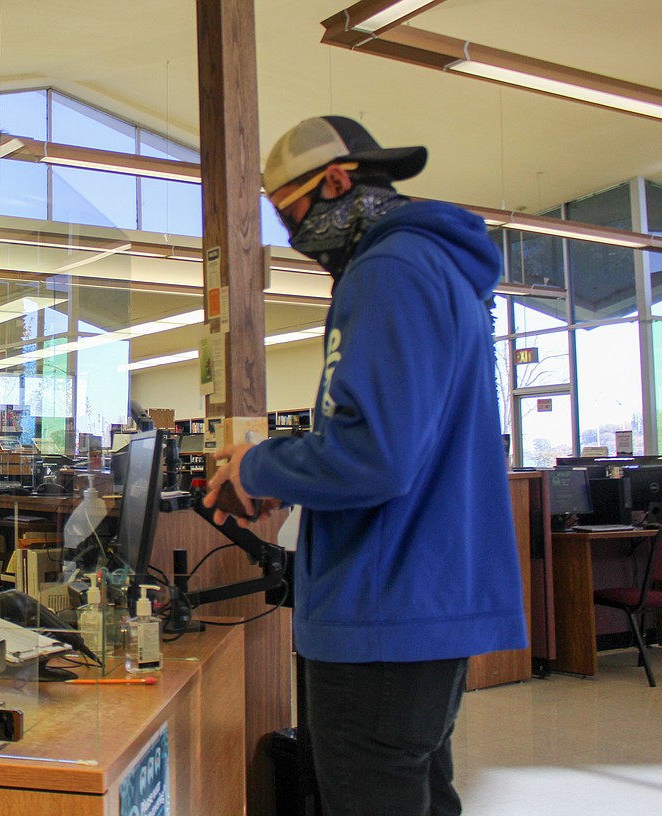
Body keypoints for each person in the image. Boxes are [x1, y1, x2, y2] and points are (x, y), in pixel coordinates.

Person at [205, 116, 527, 816]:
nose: (289, 229)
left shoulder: (386, 270)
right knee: (415, 794)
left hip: (380, 610)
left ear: (338, 182)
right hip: (421, 599)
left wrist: (259, 468)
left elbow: (373, 457)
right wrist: (287, 474)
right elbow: (398, 444)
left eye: (287, 208)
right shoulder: (436, 269)